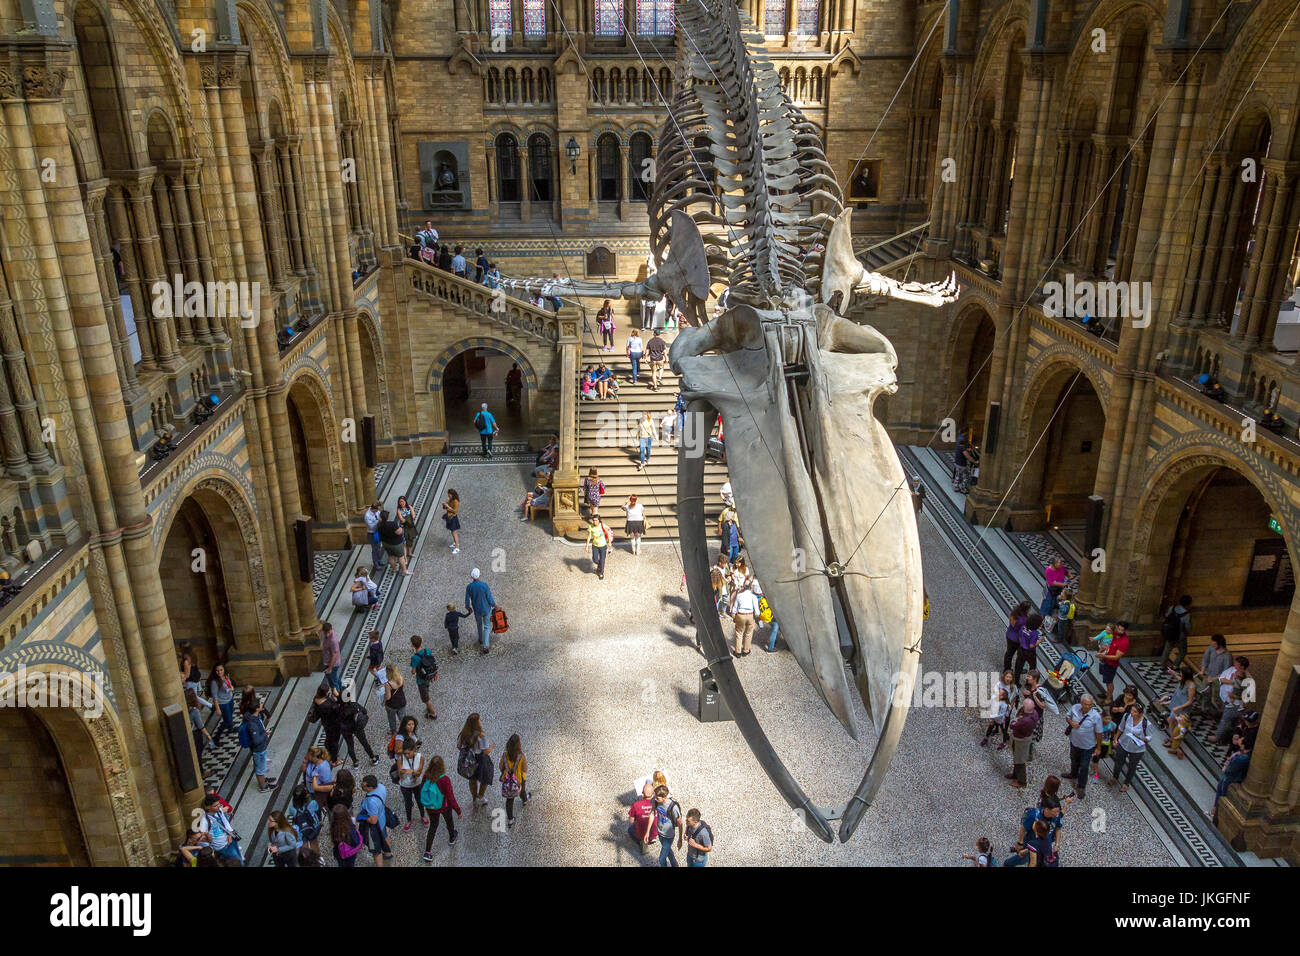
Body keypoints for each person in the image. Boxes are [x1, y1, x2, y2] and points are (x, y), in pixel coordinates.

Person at [420, 756, 462, 859]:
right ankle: (452, 838)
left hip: (431, 807)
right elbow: (450, 798)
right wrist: (458, 810)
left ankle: (427, 852)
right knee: (449, 821)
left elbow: (422, 789)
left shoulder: (426, 775)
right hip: (443, 806)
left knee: (433, 827)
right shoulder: (444, 779)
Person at [1065, 694, 1104, 800]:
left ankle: (1081, 786)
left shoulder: (1095, 716)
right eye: (1086, 704)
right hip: (1074, 742)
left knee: (1084, 766)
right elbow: (1067, 717)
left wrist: (1098, 747)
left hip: (1088, 746)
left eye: (1090, 705)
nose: (1088, 707)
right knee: (1073, 759)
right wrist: (1071, 722)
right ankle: (1073, 774)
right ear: (1081, 703)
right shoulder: (1074, 708)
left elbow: (1099, 732)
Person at [1108, 702, 1151, 793]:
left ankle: (1126, 783)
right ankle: (1115, 777)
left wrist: (1145, 739)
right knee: (1118, 762)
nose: (1132, 713)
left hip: (1137, 749)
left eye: (1135, 711)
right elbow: (1121, 728)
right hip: (1123, 743)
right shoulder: (1127, 716)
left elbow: (1149, 736)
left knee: (1132, 766)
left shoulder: (1146, 723)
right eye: (1132, 710)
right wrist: (1115, 739)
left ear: (1140, 713)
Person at [239, 693, 276, 792]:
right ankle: (263, 786)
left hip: (260, 748)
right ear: (256, 709)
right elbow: (256, 740)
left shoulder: (255, 716)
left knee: (261, 766)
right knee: (260, 768)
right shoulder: (252, 724)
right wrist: (265, 733)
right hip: (258, 749)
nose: (261, 705)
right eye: (260, 704)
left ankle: (263, 780)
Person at [1161, 666, 1198, 759]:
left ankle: (1174, 743)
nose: (1180, 674)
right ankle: (1172, 740)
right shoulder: (1183, 681)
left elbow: (1190, 701)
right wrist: (1173, 673)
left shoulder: (1191, 686)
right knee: (1172, 722)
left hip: (1181, 709)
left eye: (1181, 673)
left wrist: (1179, 707)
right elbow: (1179, 678)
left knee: (1173, 722)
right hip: (1176, 705)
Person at [357, 774, 393, 866]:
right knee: (385, 835)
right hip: (382, 818)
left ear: (370, 788)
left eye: (364, 785)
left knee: (375, 849)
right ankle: (388, 854)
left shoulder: (371, 801)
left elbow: (373, 820)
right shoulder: (381, 787)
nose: (361, 786)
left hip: (375, 827)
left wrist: (362, 817)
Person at [458, 713, 494, 804]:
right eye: (479, 720)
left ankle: (474, 797)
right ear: (477, 723)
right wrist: (491, 747)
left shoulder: (463, 733)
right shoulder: (481, 735)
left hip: (469, 760)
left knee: (472, 779)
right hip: (480, 759)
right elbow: (485, 751)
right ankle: (480, 796)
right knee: (485, 778)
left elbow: (458, 746)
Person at [1214, 657, 1252, 744]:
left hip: (1235, 704)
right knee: (1229, 721)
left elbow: (1247, 696)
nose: (1234, 665)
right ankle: (1227, 737)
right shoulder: (1232, 669)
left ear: (1242, 667)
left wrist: (1234, 696)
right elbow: (1221, 678)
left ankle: (1219, 738)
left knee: (1225, 720)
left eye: (1237, 664)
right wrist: (1232, 682)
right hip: (1224, 698)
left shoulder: (1248, 680)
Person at [1194, 634, 1232, 716]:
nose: (1212, 645)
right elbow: (1205, 659)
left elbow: (1226, 672)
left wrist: (1214, 678)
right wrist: (1203, 670)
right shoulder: (1211, 649)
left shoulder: (1227, 656)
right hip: (1208, 675)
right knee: (1205, 692)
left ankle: (1221, 712)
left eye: (1214, 644)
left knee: (1218, 696)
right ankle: (1204, 709)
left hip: (1219, 679)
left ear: (1220, 644)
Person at [201, 793, 243, 865]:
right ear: (208, 807)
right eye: (215, 805)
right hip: (221, 846)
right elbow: (202, 838)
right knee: (237, 861)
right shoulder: (204, 821)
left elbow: (225, 823)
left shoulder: (219, 811)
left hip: (230, 838)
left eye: (219, 804)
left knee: (238, 856)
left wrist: (230, 834)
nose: (219, 807)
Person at [1006, 697, 1039, 789]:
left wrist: (1015, 721)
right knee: (1017, 758)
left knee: (1019, 760)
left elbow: (1013, 725)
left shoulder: (1024, 721)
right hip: (1026, 738)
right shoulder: (1035, 714)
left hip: (1020, 740)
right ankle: (1015, 774)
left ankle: (1021, 781)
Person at [308, 683, 344, 764]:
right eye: (329, 690)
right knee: (334, 742)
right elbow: (339, 711)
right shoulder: (329, 705)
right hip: (334, 725)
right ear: (325, 693)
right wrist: (337, 698)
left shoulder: (316, 699)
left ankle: (330, 754)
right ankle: (334, 760)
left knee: (329, 739)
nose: (330, 690)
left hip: (326, 723)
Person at [397, 739, 428, 830]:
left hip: (417, 784)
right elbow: (400, 775)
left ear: (414, 750)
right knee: (408, 803)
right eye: (405, 753)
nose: (406, 755)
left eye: (408, 753)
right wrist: (402, 772)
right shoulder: (400, 759)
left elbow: (419, 773)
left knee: (420, 801)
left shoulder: (420, 757)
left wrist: (412, 772)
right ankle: (409, 820)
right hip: (405, 785)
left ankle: (423, 816)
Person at [499, 733, 530, 827]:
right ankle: (524, 800)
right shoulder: (521, 756)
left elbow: (501, 767)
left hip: (508, 781)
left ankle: (510, 819)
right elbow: (525, 769)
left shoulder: (505, 755)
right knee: (522, 791)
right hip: (519, 780)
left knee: (509, 800)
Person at [465, 567, 497, 653]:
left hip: (477, 610)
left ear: (471, 577)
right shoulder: (484, 585)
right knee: (487, 626)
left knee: (479, 625)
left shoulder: (469, 587)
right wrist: (495, 605)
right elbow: (489, 597)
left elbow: (467, 600)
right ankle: (486, 645)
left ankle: (480, 639)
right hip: (486, 609)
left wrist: (468, 608)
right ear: (479, 575)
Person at [340, 694, 377, 767]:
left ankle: (355, 763)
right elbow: (364, 711)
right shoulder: (354, 705)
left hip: (346, 729)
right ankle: (373, 758)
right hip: (357, 728)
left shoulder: (338, 708)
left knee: (350, 745)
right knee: (364, 742)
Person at [1096, 619, 1130, 701]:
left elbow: (1116, 657)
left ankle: (1108, 698)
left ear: (1125, 631)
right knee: (1105, 678)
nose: (1119, 631)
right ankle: (1107, 693)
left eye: (1122, 630)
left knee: (1109, 681)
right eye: (1118, 629)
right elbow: (1104, 637)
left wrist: (1103, 656)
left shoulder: (1124, 642)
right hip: (1104, 661)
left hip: (1111, 664)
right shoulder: (1113, 634)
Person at [1159, 594, 1193, 669]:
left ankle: (1162, 665)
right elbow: (1187, 627)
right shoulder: (1186, 615)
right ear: (1188, 604)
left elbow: (1167, 616)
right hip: (1180, 636)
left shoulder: (1172, 608)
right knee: (1183, 651)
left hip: (1170, 633)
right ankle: (1175, 665)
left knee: (1167, 649)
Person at [653, 784, 683, 867]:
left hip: (668, 836)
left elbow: (680, 823)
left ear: (664, 797)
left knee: (661, 859)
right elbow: (652, 813)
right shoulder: (657, 801)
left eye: (657, 798)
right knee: (668, 851)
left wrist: (680, 839)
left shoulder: (673, 807)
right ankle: (675, 865)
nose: (655, 799)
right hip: (660, 832)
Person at [409, 635, 438, 720]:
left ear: (413, 645)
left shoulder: (415, 657)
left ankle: (433, 714)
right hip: (429, 676)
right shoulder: (427, 650)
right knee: (426, 690)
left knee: (425, 699)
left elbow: (413, 671)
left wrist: (412, 670)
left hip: (421, 680)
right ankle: (428, 707)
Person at [207, 663, 235, 742]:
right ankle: (217, 737)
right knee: (227, 720)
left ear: (224, 670)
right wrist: (217, 708)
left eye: (221, 670)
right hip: (223, 703)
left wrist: (231, 689)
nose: (219, 672)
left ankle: (231, 729)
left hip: (230, 700)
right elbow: (215, 696)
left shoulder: (226, 676)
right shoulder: (214, 682)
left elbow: (228, 686)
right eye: (217, 671)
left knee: (230, 716)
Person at [1012, 612, 1044, 684]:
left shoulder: (1023, 627)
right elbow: (1031, 645)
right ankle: (1028, 682)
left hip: (1021, 649)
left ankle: (1016, 681)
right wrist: (1040, 641)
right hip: (1030, 652)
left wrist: (1023, 644)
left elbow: (1020, 638)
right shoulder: (1034, 633)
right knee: (1032, 667)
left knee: (1019, 665)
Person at [730, 581, 760, 657]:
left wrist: (734, 616)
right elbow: (757, 612)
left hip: (740, 615)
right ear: (751, 587)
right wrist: (757, 617)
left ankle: (738, 652)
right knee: (748, 633)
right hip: (750, 615)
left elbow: (734, 608)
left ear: (743, 586)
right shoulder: (753, 597)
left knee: (739, 633)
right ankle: (746, 650)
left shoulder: (739, 596)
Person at [378, 509, 411, 577]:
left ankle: (394, 569)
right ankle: (404, 571)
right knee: (400, 557)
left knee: (390, 556)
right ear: (387, 517)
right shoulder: (392, 524)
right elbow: (399, 532)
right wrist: (401, 529)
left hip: (386, 543)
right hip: (396, 544)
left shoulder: (379, 525)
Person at [1003, 600, 1032, 673]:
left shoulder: (1014, 613)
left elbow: (1012, 624)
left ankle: (1007, 669)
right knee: (1020, 656)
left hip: (1010, 635)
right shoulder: (1025, 619)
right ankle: (1018, 669)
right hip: (1018, 639)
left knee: (1009, 653)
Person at [627, 782, 657, 853]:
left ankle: (642, 842)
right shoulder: (658, 804)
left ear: (642, 794)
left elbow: (631, 821)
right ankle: (653, 838)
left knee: (630, 830)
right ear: (653, 794)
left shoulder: (636, 805)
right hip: (654, 832)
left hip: (641, 834)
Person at [380, 666, 407, 734]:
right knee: (403, 718)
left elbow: (388, 697)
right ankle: (406, 730)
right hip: (402, 701)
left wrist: (383, 698)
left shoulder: (388, 684)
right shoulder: (400, 678)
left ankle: (393, 731)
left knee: (391, 718)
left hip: (392, 705)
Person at [586, 512, 613, 580]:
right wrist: (586, 546)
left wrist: (609, 542)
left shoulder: (602, 525)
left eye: (596, 520)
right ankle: (599, 566)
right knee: (595, 559)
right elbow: (589, 536)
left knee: (602, 559)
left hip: (603, 545)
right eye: (593, 520)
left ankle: (601, 573)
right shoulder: (590, 527)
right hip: (595, 545)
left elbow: (608, 533)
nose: (594, 522)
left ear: (599, 520)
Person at [319, 623, 342, 694]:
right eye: (325, 633)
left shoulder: (333, 641)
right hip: (328, 661)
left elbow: (334, 655)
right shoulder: (328, 633)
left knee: (333, 684)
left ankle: (338, 697)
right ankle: (341, 688)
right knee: (334, 678)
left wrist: (329, 668)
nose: (327, 635)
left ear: (331, 629)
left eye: (328, 632)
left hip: (332, 664)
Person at [364, 501, 385, 575]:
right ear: (373, 509)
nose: (377, 511)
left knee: (379, 546)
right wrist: (378, 521)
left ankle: (379, 560)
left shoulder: (377, 511)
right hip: (372, 534)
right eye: (376, 510)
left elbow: (380, 516)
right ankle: (375, 563)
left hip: (377, 532)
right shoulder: (367, 516)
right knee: (374, 548)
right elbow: (371, 526)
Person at [396, 495, 419, 560]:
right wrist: (409, 518)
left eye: (403, 501)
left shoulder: (409, 507)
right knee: (405, 543)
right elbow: (401, 519)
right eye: (400, 502)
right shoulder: (399, 510)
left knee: (410, 539)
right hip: (404, 528)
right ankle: (405, 558)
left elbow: (414, 515)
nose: (401, 503)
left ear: (405, 501)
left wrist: (407, 519)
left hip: (410, 527)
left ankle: (410, 553)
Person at [442, 488, 461, 554]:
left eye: (449, 495)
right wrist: (445, 505)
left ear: (452, 495)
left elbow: (455, 511)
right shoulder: (451, 499)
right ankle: (455, 543)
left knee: (454, 532)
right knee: (452, 532)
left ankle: (457, 547)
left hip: (453, 518)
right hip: (450, 517)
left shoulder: (456, 501)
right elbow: (447, 505)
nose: (449, 496)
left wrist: (448, 507)